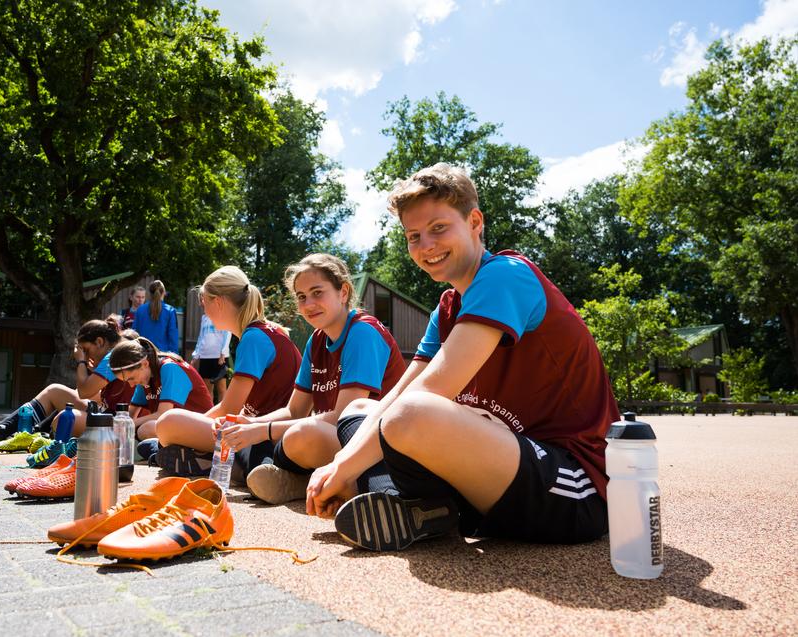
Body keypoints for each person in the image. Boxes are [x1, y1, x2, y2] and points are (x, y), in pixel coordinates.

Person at [305, 163, 619, 551]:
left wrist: (344, 468)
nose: (426, 246)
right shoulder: (448, 306)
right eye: (413, 236)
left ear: (474, 221)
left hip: (574, 490)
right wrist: (339, 464)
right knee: (362, 412)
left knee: (410, 414)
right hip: (490, 481)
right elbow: (397, 394)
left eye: (438, 228)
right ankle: (419, 510)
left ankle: (393, 497)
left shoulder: (506, 275)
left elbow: (433, 389)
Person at [220, 254, 406, 504]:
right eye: (301, 296)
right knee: (271, 436)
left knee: (301, 435)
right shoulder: (317, 339)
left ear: (343, 292)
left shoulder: (363, 332)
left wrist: (263, 430)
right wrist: (252, 423)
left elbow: (344, 417)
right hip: (338, 441)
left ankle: (322, 483)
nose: (309, 304)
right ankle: (313, 483)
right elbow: (294, 409)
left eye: (318, 293)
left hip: (379, 448)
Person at [140, 266, 301, 478]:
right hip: (263, 431)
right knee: (160, 430)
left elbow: (229, 408)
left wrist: (187, 430)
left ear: (218, 302)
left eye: (203, 302)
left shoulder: (253, 337)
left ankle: (196, 455)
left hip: (262, 436)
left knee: (167, 423)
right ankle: (200, 457)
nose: (204, 310)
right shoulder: (267, 331)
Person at [0, 319, 135, 450]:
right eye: (83, 353)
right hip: (108, 413)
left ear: (100, 342)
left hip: (118, 422)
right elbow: (90, 394)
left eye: (86, 350)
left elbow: (84, 392)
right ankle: (0, 432)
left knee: (63, 418)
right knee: (55, 390)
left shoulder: (115, 354)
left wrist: (80, 362)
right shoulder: (117, 351)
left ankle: (14, 435)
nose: (86, 356)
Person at [107, 337, 213, 441]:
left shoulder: (170, 368)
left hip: (206, 432)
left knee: (146, 429)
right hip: (183, 429)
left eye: (131, 378)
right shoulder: (145, 379)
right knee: (140, 432)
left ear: (145, 364)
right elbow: (129, 416)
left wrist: (128, 424)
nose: (131, 385)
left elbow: (162, 415)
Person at [190, 312, 232, 402]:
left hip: (219, 357)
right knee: (207, 390)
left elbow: (228, 333)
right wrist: (195, 356)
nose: (202, 301)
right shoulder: (204, 317)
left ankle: (222, 414)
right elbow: (201, 337)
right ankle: (208, 414)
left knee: (222, 389)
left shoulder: (223, 314)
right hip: (205, 356)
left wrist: (223, 353)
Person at [132, 280, 179, 353]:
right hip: (163, 355)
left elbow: (134, 334)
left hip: (143, 354)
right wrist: (174, 355)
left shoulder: (140, 310)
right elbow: (173, 337)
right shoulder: (170, 310)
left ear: (149, 293)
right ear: (164, 293)